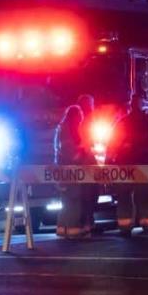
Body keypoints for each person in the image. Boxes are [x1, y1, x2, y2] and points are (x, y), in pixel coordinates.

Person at [107, 93, 148, 236]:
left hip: (125, 165)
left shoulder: (122, 122)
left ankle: (125, 226)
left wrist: (109, 163)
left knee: (124, 197)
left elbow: (112, 145)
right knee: (146, 195)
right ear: (142, 104)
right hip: (145, 165)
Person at [53, 105, 91, 239]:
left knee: (65, 200)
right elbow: (73, 153)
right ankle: (73, 229)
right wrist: (83, 151)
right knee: (74, 199)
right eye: (79, 116)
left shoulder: (60, 129)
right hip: (73, 170)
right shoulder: (71, 131)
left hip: (61, 169)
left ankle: (62, 227)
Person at [75, 94, 99, 233]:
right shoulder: (83, 121)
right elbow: (84, 142)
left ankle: (88, 221)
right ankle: (87, 222)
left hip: (88, 158)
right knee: (88, 193)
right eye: (90, 104)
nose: (92, 107)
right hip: (85, 160)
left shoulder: (88, 120)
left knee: (90, 193)